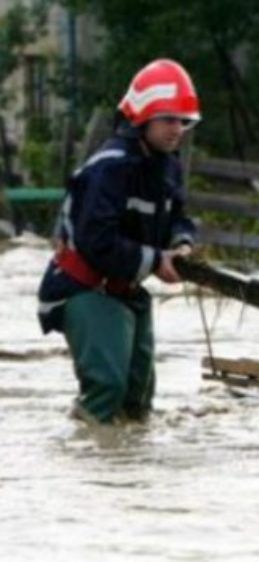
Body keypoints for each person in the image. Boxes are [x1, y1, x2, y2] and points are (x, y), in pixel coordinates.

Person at [37, 59, 200, 424]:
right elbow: (98, 241)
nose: (178, 128)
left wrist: (182, 243)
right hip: (83, 288)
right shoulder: (110, 168)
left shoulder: (167, 166)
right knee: (107, 387)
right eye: (168, 119)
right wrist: (156, 261)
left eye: (183, 120)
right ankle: (87, 453)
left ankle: (126, 459)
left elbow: (177, 218)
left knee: (138, 397)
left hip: (125, 288)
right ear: (142, 118)